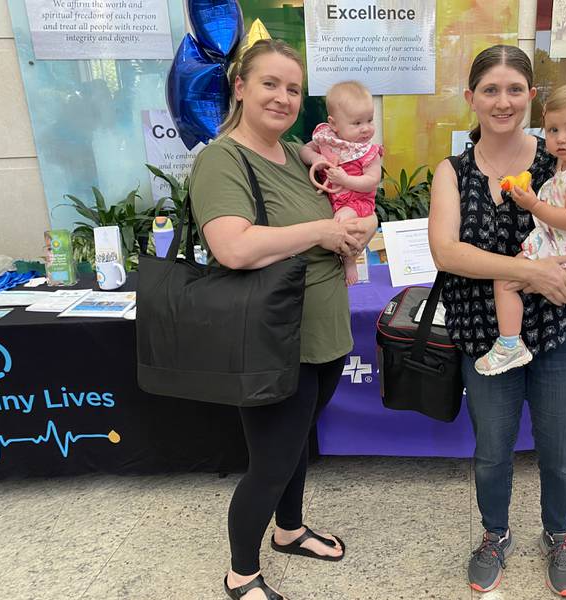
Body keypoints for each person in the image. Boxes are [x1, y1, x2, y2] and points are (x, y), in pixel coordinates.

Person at [428, 45, 566, 597]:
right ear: (471, 99)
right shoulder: (452, 172)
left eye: (515, 89)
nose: (503, 101)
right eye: (490, 90)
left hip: (562, 332)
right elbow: (446, 252)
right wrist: (532, 271)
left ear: (532, 98)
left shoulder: (562, 156)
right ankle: (495, 533)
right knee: (492, 450)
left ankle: (559, 536)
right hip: (484, 336)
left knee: (562, 449)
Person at [188, 39, 378, 600]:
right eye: (269, 83)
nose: (283, 97)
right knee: (271, 462)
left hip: (322, 333)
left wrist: (355, 227)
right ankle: (241, 573)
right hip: (272, 340)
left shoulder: (295, 153)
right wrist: (323, 232)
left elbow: (354, 202)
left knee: (298, 445)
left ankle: (290, 531)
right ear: (240, 87)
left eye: (293, 88)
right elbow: (234, 247)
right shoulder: (223, 158)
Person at [475, 82, 566, 376]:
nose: (560, 139)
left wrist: (532, 204)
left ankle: (509, 343)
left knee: (505, 280)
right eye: (553, 130)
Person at [299, 80, 383, 285]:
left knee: (340, 222)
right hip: (332, 196)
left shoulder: (367, 152)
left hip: (356, 202)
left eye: (370, 120)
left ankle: (349, 260)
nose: (366, 129)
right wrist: (316, 159)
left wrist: (345, 179)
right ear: (334, 123)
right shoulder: (328, 140)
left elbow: (373, 181)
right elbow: (304, 150)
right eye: (357, 123)